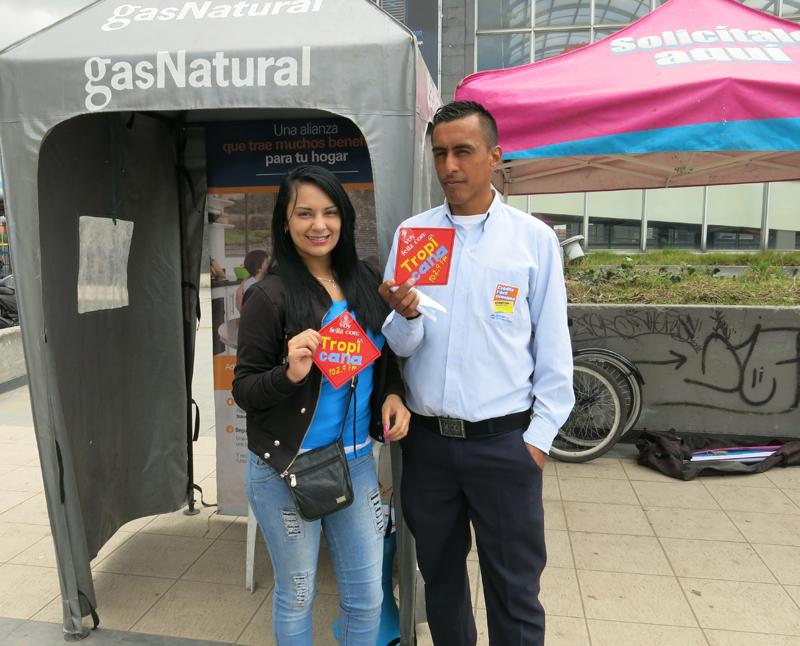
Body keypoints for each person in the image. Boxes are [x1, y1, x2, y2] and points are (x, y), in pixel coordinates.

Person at [379, 101, 575, 646]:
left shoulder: (531, 240)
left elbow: (554, 352)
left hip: (505, 446)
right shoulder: (416, 235)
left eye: (463, 151)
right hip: (429, 448)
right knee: (441, 583)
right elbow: (400, 345)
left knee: (514, 590)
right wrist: (405, 315)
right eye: (440, 153)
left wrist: (536, 443)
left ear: (494, 156)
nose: (449, 166)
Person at [233, 165, 411, 645]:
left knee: (367, 597)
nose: (319, 225)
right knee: (297, 594)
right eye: (305, 213)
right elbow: (244, 389)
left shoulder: (365, 279)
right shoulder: (269, 296)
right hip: (286, 469)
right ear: (285, 221)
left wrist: (393, 393)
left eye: (330, 212)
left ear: (344, 219)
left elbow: (386, 354)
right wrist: (288, 374)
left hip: (356, 464)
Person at [235, 248, 268, 313]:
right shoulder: (251, 285)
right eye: (267, 263)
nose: (269, 265)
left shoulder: (258, 281)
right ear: (259, 268)